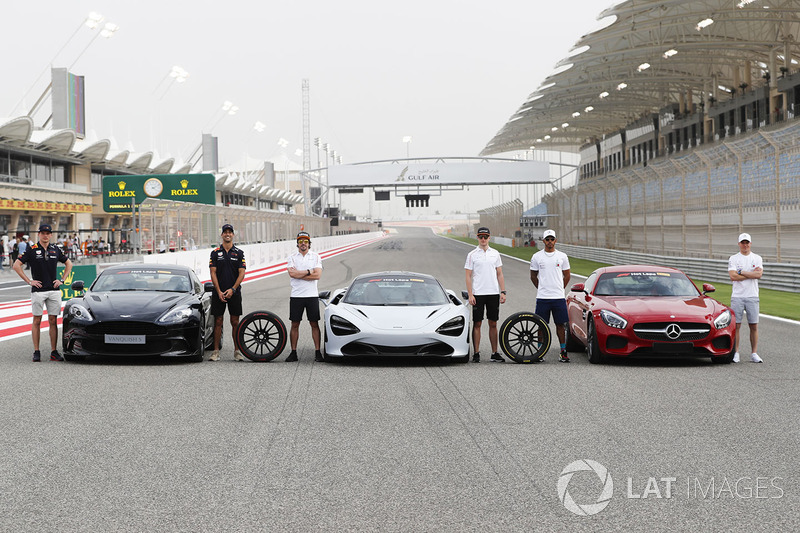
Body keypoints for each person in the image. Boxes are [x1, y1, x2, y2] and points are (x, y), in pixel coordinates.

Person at [13, 224, 72, 362]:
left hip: (54, 290)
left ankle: (53, 352)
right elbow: (16, 265)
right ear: (39, 234)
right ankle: (36, 351)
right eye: (43, 233)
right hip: (38, 291)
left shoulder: (55, 249)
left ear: (51, 235)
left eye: (48, 233)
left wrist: (62, 280)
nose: (45, 235)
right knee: (37, 320)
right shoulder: (32, 249)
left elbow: (69, 264)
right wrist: (29, 281)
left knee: (53, 321)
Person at [464, 227, 506, 363]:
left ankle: (494, 352)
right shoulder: (472, 254)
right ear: (477, 237)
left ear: (489, 238)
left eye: (485, 237)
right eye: (481, 237)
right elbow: (468, 276)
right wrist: (471, 294)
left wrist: (503, 291)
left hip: (493, 293)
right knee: (477, 323)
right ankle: (476, 353)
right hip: (478, 294)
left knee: (493, 323)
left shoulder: (495, 253)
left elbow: (499, 273)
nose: (483, 239)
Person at [529, 229, 571, 363]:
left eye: (552, 239)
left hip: (558, 297)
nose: (550, 242)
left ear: (555, 240)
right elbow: (533, 276)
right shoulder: (537, 256)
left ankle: (563, 351)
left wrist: (560, 288)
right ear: (543, 241)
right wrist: (542, 288)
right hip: (543, 297)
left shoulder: (562, 256)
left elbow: (567, 275)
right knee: (541, 325)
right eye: (547, 239)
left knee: (561, 325)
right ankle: (539, 352)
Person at [208, 223, 246, 362]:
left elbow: (242, 273)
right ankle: (215, 351)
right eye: (225, 232)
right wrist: (218, 291)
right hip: (218, 292)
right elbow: (213, 273)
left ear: (233, 235)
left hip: (234, 292)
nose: (228, 234)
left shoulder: (239, 253)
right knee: (218, 321)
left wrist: (233, 289)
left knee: (235, 322)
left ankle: (237, 351)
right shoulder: (215, 252)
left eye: (230, 232)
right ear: (222, 235)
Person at [285, 231, 323, 362]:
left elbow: (317, 275)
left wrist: (300, 273)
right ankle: (293, 352)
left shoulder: (316, 256)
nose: (303, 243)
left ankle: (318, 352)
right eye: (300, 241)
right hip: (296, 296)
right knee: (295, 324)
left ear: (309, 243)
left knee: (314, 323)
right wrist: (308, 271)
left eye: (305, 241)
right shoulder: (292, 257)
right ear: (297, 243)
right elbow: (292, 275)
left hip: (312, 295)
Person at [728, 232, 764, 363]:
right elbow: (733, 277)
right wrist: (751, 274)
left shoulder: (757, 258)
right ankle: (736, 352)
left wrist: (741, 272)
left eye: (747, 242)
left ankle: (754, 353)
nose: (745, 245)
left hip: (752, 295)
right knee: (736, 325)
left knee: (753, 325)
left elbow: (758, 275)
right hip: (738, 296)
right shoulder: (733, 258)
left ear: (750, 244)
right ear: (739, 244)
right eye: (742, 242)